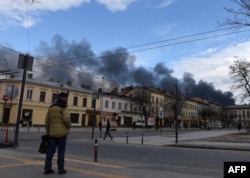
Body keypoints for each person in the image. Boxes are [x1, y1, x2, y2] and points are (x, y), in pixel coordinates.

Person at [44, 92, 71, 175]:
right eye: (66, 98)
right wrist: (68, 126)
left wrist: (48, 131)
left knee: (50, 151)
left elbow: (47, 121)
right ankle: (61, 169)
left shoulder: (51, 107)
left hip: (52, 133)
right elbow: (66, 119)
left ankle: (47, 168)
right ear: (65, 98)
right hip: (62, 134)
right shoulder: (64, 107)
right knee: (61, 151)